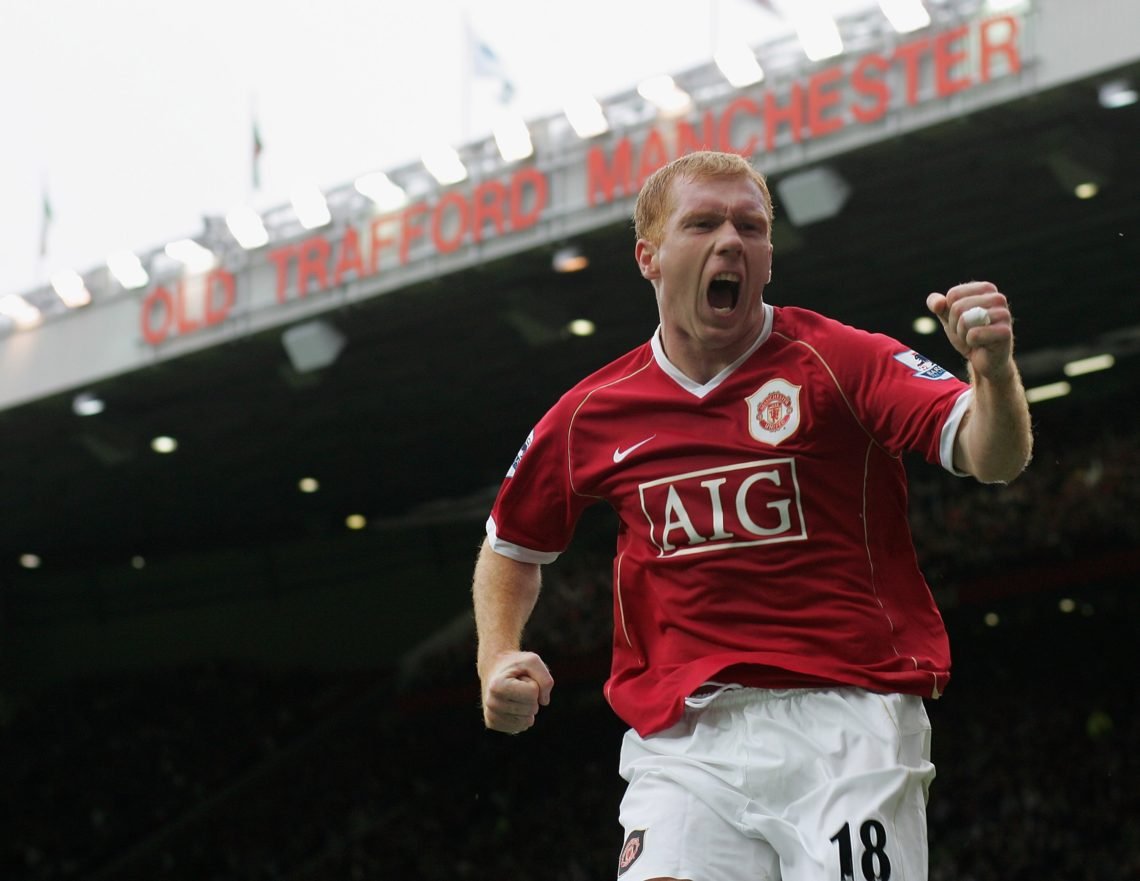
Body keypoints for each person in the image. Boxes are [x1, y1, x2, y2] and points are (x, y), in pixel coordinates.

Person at [472, 151, 1032, 881]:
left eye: (751, 226)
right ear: (649, 256)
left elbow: (994, 455)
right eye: (702, 223)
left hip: (849, 722)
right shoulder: (591, 412)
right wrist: (495, 656)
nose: (730, 241)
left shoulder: (838, 360)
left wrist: (992, 373)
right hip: (685, 741)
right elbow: (511, 545)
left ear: (768, 256)